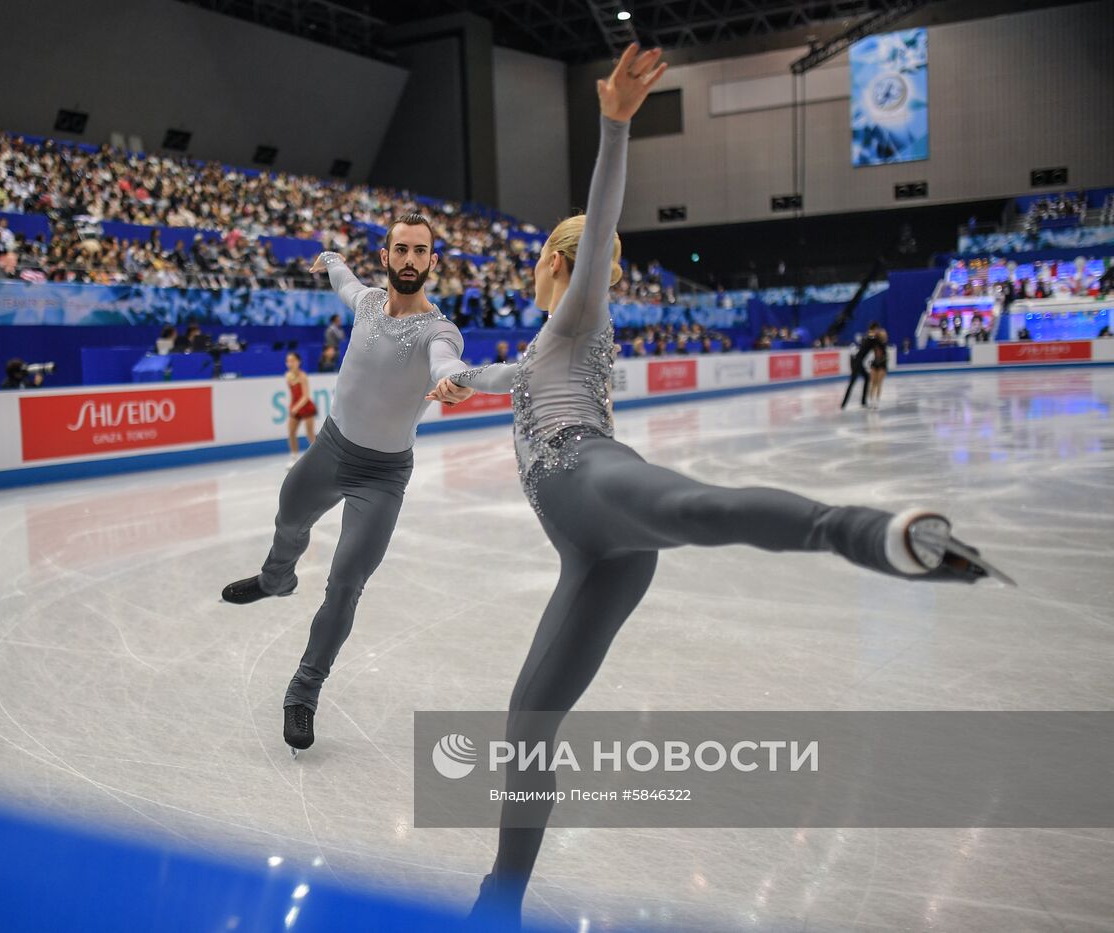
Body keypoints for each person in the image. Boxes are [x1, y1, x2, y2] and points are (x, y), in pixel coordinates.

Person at [424, 45, 1011, 925]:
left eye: (567, 262)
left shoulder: (581, 311)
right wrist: (454, 377)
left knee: (698, 507)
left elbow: (597, 228)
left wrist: (616, 126)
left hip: (593, 481)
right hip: (592, 555)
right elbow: (495, 375)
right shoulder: (542, 345)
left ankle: (869, 532)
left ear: (557, 262)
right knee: (529, 718)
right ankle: (498, 900)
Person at [220, 211, 475, 753]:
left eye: (420, 252)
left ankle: (303, 693)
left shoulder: (439, 329)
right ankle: (275, 580)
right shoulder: (364, 303)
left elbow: (443, 362)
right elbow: (344, 281)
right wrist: (333, 259)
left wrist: (451, 380)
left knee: (345, 584)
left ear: (433, 261)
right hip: (332, 449)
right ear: (386, 257)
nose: (410, 260)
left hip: (382, 478)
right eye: (400, 250)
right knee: (289, 514)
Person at [283, 351, 318, 467]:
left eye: (292, 361)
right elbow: (294, 394)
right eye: (288, 361)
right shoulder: (287, 376)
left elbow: (305, 396)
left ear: (299, 362)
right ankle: (294, 456)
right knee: (291, 432)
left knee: (310, 433)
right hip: (295, 407)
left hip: (306, 407)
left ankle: (319, 457)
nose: (290, 363)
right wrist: (292, 406)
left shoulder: (303, 377)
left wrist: (296, 407)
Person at [841, 323, 879, 410]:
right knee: (852, 383)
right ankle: (843, 405)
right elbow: (874, 340)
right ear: (873, 329)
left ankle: (862, 401)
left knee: (866, 378)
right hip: (857, 362)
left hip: (857, 361)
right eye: (877, 329)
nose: (878, 331)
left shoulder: (868, 337)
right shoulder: (871, 337)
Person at [867, 326, 890, 408]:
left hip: (882, 364)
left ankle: (876, 401)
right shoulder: (874, 341)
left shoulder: (883, 342)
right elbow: (869, 335)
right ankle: (871, 401)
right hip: (875, 363)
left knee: (879, 384)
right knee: (873, 383)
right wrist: (874, 332)